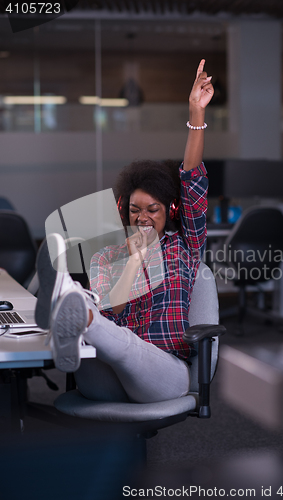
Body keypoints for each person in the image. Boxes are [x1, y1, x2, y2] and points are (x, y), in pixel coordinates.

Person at [35, 59, 214, 404]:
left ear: (171, 211)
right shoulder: (107, 256)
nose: (143, 218)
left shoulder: (186, 247)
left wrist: (196, 112)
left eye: (153, 209)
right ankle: (77, 308)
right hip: (110, 376)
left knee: (125, 343)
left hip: (164, 374)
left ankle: (73, 304)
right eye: (135, 210)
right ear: (123, 210)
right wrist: (133, 262)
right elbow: (115, 310)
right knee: (106, 338)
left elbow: (193, 181)